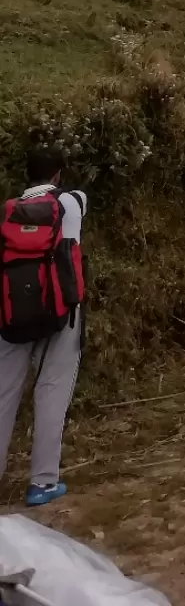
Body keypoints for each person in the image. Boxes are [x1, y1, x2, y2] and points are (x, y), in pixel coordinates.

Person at [0, 147, 87, 507]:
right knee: (51, 390)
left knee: (3, 395)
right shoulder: (72, 202)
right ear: (57, 174)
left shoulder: (7, 211)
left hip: (10, 314)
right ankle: (42, 483)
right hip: (59, 313)